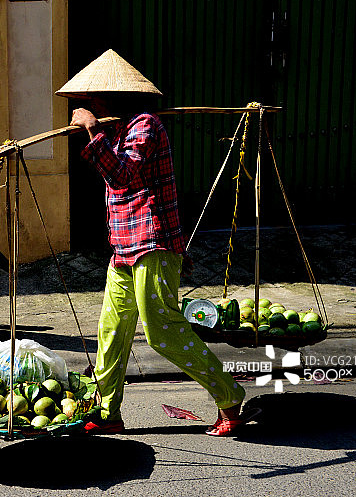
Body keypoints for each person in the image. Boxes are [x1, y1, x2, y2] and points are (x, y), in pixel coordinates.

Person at [56, 49, 257, 436]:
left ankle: (229, 397)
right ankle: (108, 412)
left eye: (96, 99)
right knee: (111, 331)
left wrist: (93, 131)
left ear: (114, 98)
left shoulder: (145, 125)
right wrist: (100, 133)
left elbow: (124, 175)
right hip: (123, 247)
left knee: (162, 330)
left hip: (153, 243)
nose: (92, 105)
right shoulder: (116, 132)